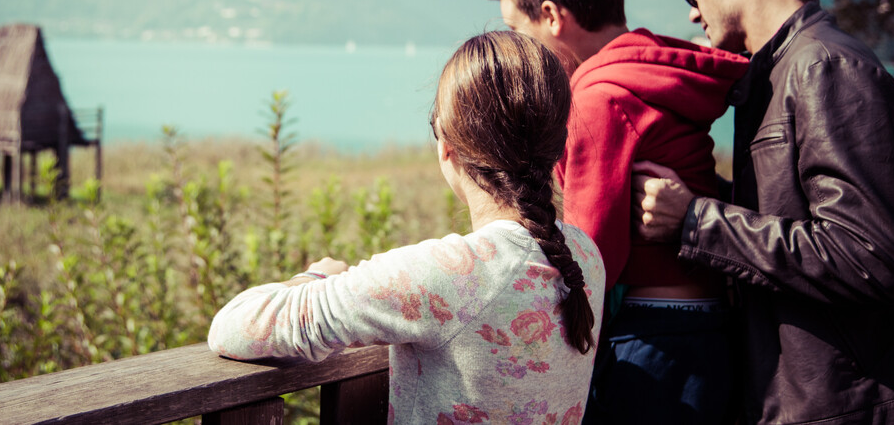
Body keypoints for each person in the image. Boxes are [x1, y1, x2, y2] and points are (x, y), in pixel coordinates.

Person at [208, 31, 605, 424]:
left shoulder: (444, 274)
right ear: (556, 147)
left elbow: (232, 327)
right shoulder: (585, 256)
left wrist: (312, 277)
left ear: (447, 143)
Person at [632, 0, 894, 425]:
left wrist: (695, 220)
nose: (692, 15)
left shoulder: (826, 67)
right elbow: (797, 221)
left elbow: (869, 257)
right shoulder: (772, 74)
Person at [483, 0, 749, 424]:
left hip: (654, 340)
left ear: (551, 16)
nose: (519, 47)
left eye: (518, 30)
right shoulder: (645, 72)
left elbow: (589, 254)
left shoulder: (598, 98)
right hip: (704, 328)